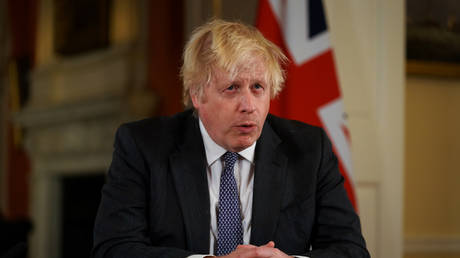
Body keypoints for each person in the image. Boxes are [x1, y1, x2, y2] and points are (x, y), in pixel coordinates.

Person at [92, 19, 370, 258]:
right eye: (232, 88)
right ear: (197, 94)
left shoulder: (310, 148)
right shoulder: (143, 145)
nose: (249, 105)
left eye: (258, 87)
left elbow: (351, 250)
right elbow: (114, 248)